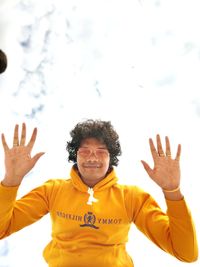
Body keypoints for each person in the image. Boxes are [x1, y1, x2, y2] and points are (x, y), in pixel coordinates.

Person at [0, 120, 198, 267]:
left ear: (111, 158)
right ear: (74, 156)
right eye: (84, 150)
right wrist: (11, 180)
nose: (92, 157)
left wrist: (172, 190)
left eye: (101, 150)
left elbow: (186, 253)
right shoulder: (52, 190)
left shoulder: (133, 198)